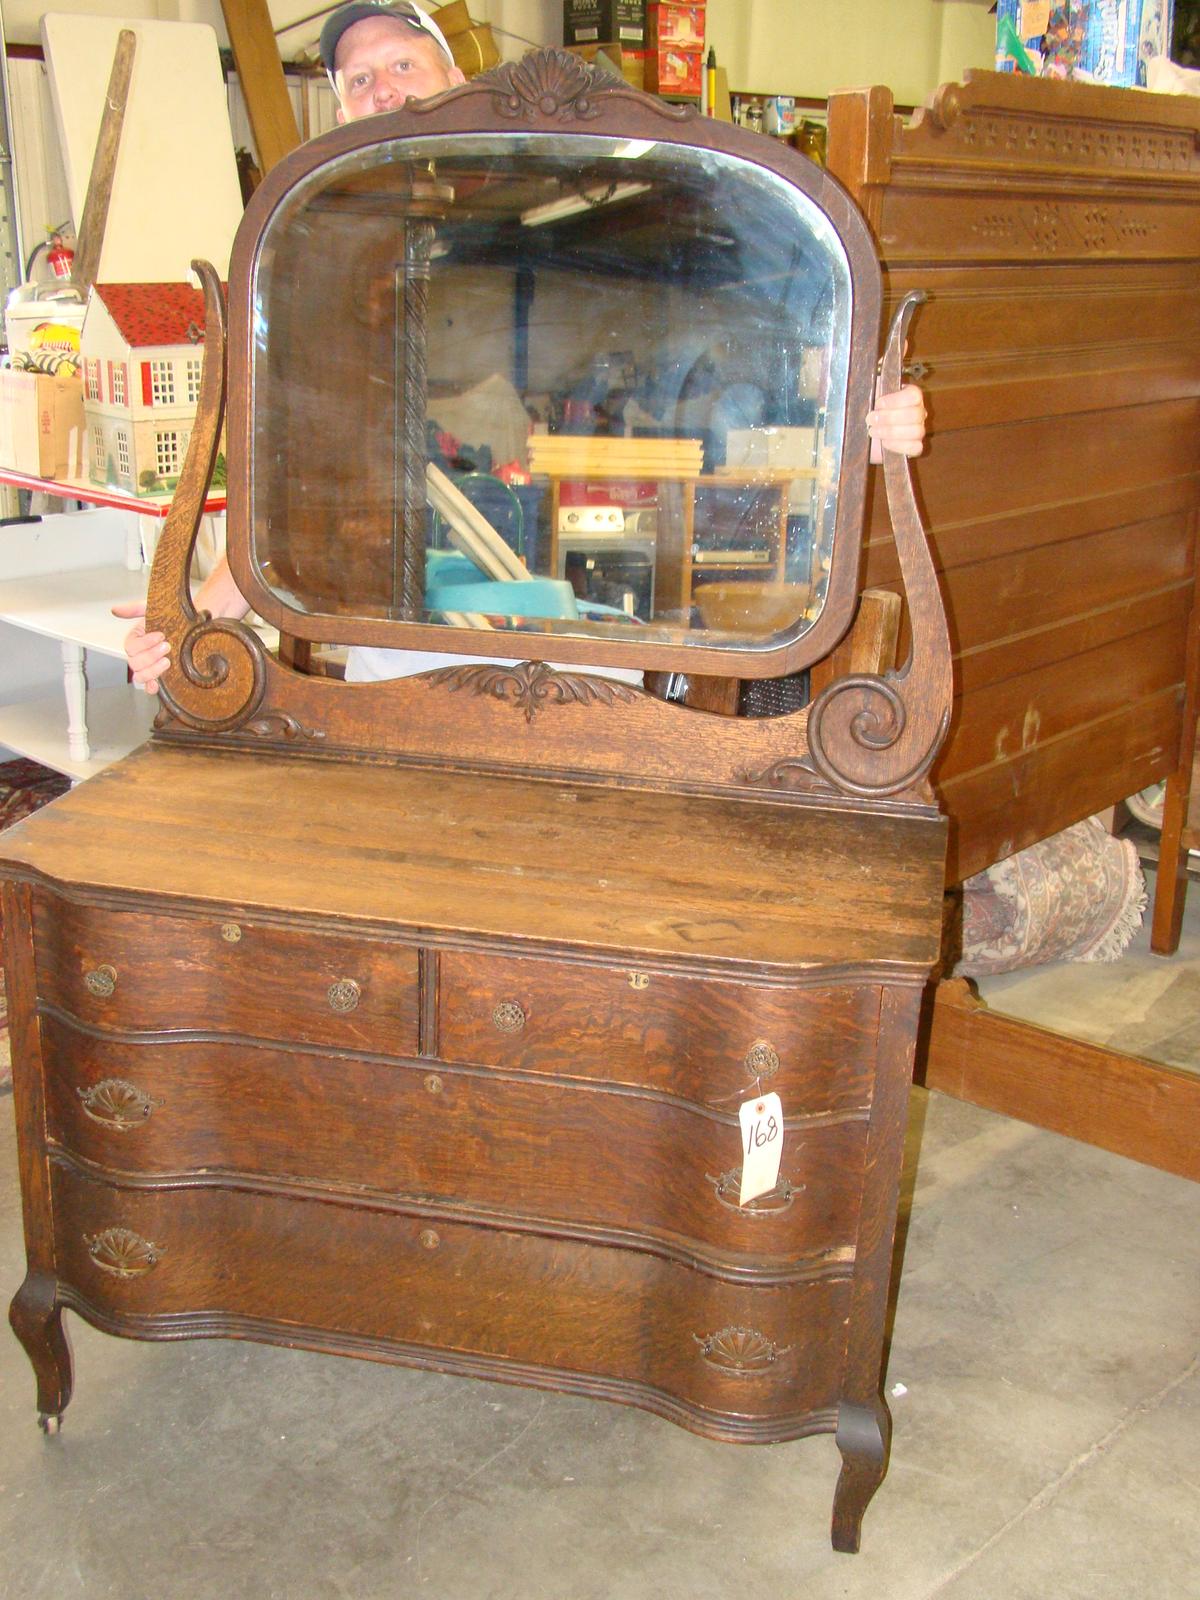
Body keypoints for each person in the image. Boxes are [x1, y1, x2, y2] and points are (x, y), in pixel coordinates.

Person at [117, 0, 927, 693]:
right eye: (358, 80)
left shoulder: (572, 174)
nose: (383, 90)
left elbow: (782, 328)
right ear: (339, 111)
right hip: (397, 645)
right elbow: (296, 476)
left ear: (457, 81)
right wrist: (188, 621)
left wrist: (865, 422)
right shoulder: (317, 249)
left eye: (402, 64)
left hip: (588, 659)